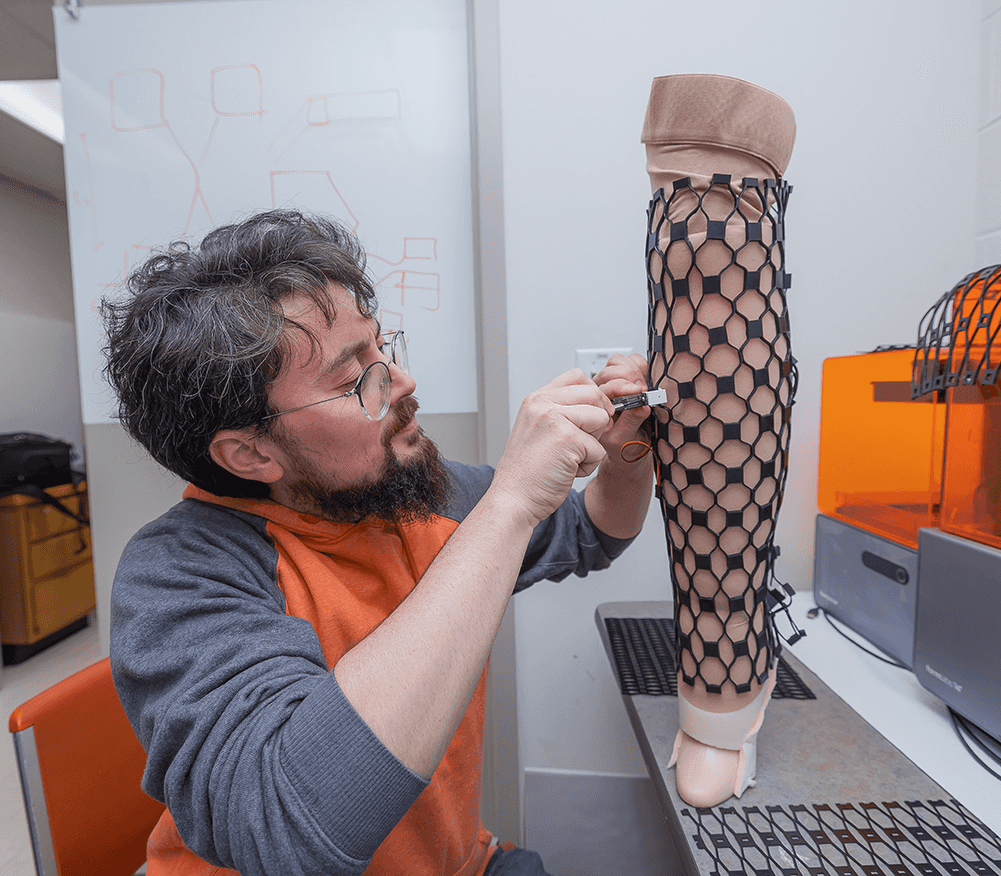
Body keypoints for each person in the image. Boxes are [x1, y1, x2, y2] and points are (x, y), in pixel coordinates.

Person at [102, 209, 654, 876]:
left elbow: (592, 532)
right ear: (249, 454)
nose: (401, 382)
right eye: (352, 379)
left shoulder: (423, 496)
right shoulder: (182, 575)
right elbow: (294, 827)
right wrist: (509, 503)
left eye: (381, 349)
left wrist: (628, 453)